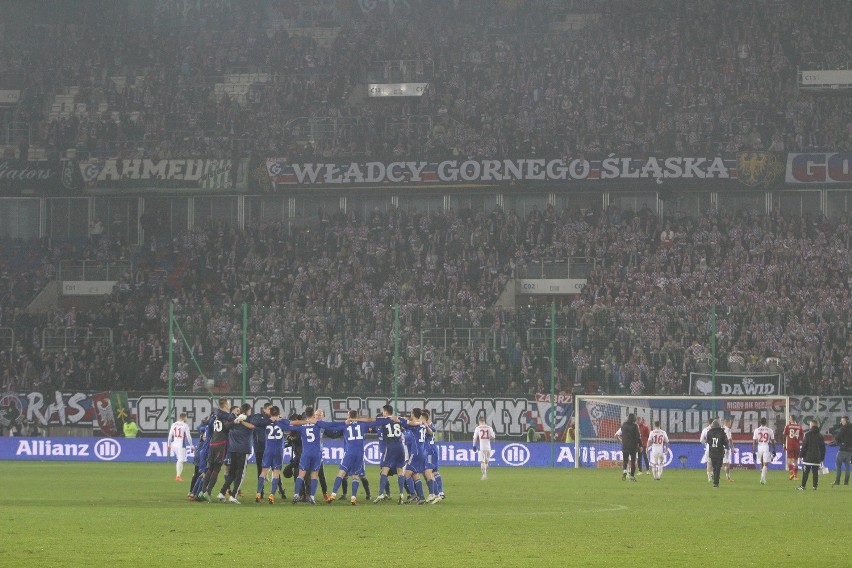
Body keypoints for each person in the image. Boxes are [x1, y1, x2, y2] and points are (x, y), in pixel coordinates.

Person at [322, 409, 375, 505]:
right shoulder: (363, 424)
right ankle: (353, 498)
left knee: (341, 473)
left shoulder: (345, 425)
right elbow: (372, 423)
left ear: (349, 416)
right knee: (356, 476)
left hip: (349, 452)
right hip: (359, 453)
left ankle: (333, 494)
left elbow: (333, 428)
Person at [218, 403, 256, 504]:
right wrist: (241, 420)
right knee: (240, 474)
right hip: (242, 451)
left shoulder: (234, 420)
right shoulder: (249, 419)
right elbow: (252, 426)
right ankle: (233, 496)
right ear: (248, 410)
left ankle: (222, 493)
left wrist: (238, 420)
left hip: (233, 450)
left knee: (231, 474)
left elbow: (226, 427)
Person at [799, 420, 826, 491]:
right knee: (815, 473)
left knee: (805, 473)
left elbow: (804, 446)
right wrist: (822, 458)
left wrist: (801, 455)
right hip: (816, 458)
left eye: (810, 424)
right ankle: (814, 487)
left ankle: (803, 486)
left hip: (807, 458)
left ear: (812, 425)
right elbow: (823, 448)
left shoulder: (807, 435)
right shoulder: (820, 436)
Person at [167, 413, 193, 482]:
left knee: (180, 460)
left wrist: (169, 445)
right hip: (181, 445)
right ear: (184, 418)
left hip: (174, 444)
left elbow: (170, 436)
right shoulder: (185, 425)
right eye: (186, 417)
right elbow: (188, 437)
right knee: (180, 460)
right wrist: (191, 446)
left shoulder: (174, 424)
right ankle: (178, 476)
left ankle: (178, 476)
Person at [615, 413, 641, 481]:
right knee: (633, 462)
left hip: (625, 445)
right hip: (633, 446)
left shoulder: (623, 425)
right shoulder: (635, 426)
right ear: (634, 419)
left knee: (625, 460)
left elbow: (616, 435)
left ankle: (624, 471)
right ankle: (632, 477)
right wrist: (640, 445)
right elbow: (638, 437)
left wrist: (621, 441)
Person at [752, 417, 776, 485]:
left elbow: (754, 442)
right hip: (766, 446)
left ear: (760, 422)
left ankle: (763, 479)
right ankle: (763, 478)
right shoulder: (769, 430)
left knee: (761, 463)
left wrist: (753, 451)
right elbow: (773, 441)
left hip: (759, 447)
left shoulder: (756, 430)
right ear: (766, 422)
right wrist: (774, 450)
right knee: (766, 463)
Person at [706, 419, 729, 488]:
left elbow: (708, 441)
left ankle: (715, 478)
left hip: (712, 452)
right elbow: (725, 442)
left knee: (714, 467)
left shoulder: (709, 432)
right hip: (719, 452)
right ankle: (716, 483)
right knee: (718, 468)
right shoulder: (722, 433)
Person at [472, 415, 496, 481]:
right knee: (486, 462)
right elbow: (493, 436)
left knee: (482, 462)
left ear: (479, 421)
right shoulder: (489, 428)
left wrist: (474, 446)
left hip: (481, 447)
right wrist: (489, 438)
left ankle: (484, 475)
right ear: (484, 421)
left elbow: (475, 438)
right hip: (488, 447)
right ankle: (486, 474)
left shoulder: (478, 428)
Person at [831, 416, 851, 486]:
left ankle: (837, 481)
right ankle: (846, 482)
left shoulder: (843, 428)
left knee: (838, 465)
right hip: (850, 450)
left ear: (845, 421)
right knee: (848, 467)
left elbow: (837, 437)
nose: (841, 422)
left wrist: (838, 441)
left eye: (842, 421)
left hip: (842, 449)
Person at [783, 415, 804, 481]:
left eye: (789, 418)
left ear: (791, 419)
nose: (789, 420)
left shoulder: (788, 426)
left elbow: (784, 435)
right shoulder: (799, 427)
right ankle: (795, 476)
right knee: (795, 461)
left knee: (789, 460)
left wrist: (784, 444)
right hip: (797, 445)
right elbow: (802, 437)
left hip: (790, 445)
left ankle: (792, 473)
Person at [698, 418, 714, 483]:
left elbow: (701, 440)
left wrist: (705, 444)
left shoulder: (705, 430)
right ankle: (713, 475)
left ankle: (709, 478)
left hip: (708, 448)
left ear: (708, 423)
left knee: (709, 463)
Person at [722, 418, 735, 482]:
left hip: (720, 448)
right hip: (726, 448)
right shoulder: (728, 430)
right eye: (730, 423)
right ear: (726, 423)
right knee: (727, 463)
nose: (730, 424)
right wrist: (732, 448)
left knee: (724, 463)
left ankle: (727, 477)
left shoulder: (720, 429)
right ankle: (728, 478)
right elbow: (730, 440)